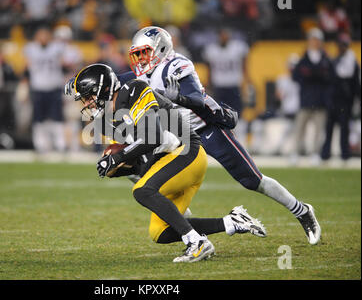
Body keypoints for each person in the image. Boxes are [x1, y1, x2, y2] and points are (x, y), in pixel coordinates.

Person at [120, 26, 321, 245]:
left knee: (253, 180)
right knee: (146, 174)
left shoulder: (176, 65)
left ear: (161, 49)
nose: (141, 59)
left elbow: (196, 98)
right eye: (137, 54)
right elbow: (115, 79)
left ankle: (301, 210)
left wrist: (179, 98)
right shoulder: (143, 74)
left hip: (206, 129)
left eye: (145, 52)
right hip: (180, 140)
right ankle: (191, 233)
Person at [66, 63, 266, 263]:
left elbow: (154, 137)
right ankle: (232, 222)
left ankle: (197, 243)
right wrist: (116, 168)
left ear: (103, 89)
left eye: (88, 97)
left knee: (142, 190)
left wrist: (117, 157)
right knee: (160, 232)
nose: (87, 103)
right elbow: (142, 162)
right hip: (171, 161)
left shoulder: (134, 89)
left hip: (187, 152)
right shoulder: (110, 120)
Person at [291, 28, 335, 165]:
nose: (315, 42)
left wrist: (311, 75)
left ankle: (315, 153)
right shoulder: (304, 58)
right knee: (299, 129)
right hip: (306, 99)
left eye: (317, 40)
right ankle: (295, 153)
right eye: (312, 39)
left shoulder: (326, 59)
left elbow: (331, 78)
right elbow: (296, 76)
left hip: (320, 101)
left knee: (318, 130)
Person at [23, 27, 66, 153]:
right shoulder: (31, 48)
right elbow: (26, 67)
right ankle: (40, 144)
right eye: (41, 35)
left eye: (45, 35)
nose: (43, 38)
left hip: (55, 86)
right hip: (38, 87)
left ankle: (60, 144)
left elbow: (66, 62)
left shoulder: (57, 47)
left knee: (58, 117)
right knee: (38, 118)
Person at [321, 33, 361, 162]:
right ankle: (326, 154)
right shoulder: (335, 61)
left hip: (345, 101)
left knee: (344, 129)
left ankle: (345, 154)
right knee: (329, 128)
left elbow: (355, 84)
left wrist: (355, 99)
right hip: (334, 100)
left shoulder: (352, 63)